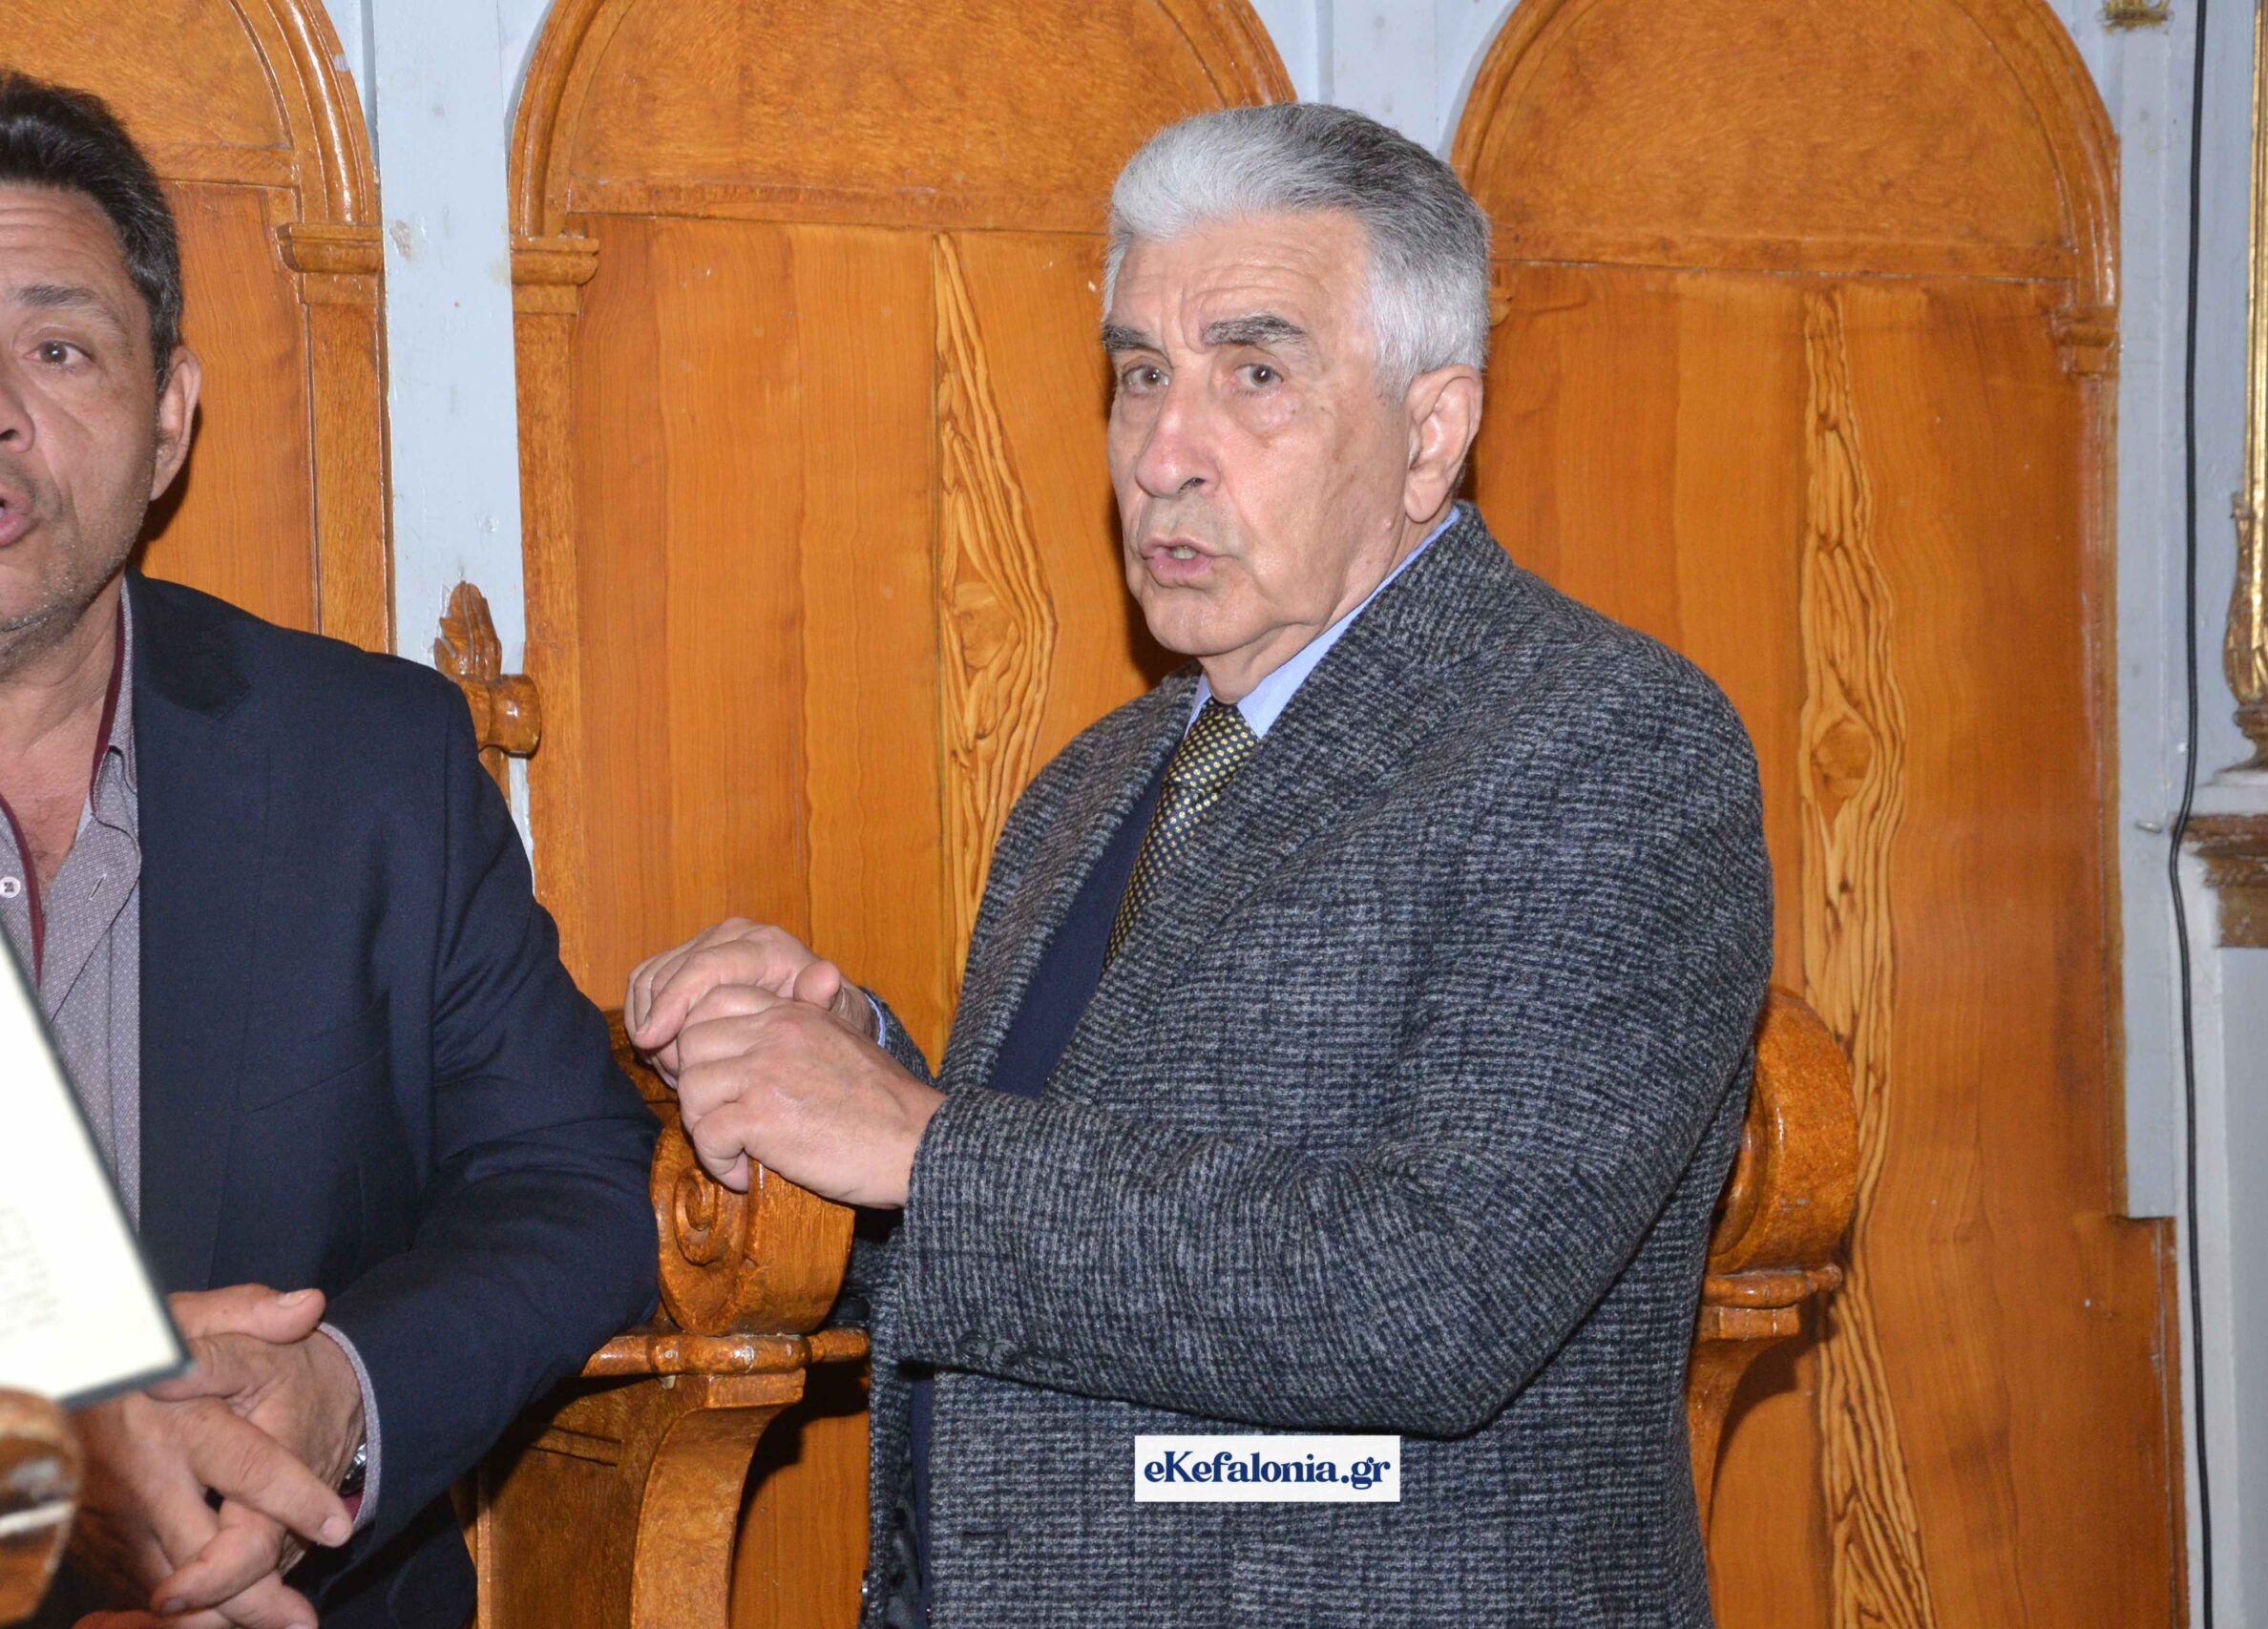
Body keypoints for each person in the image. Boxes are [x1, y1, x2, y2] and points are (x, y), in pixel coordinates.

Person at [630, 103, 1771, 1627]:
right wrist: (823, 1084)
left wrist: (917, 1147)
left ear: (1431, 433)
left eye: (1256, 373)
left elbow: (1437, 1295)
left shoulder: (1607, 740)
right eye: (1142, 374)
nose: (1165, 453)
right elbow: (1026, 1261)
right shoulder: (1093, 783)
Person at [0, 75, 660, 1629]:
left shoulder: (374, 765)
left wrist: (343, 1394)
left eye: (59, 348)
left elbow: (571, 1179)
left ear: (169, 419)